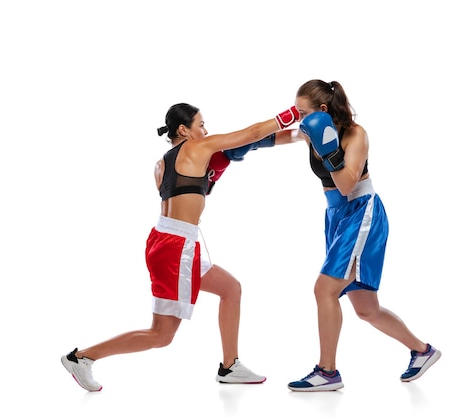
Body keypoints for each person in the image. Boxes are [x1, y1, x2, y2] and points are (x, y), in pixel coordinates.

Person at [61, 102, 300, 392]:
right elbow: (252, 133)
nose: (206, 131)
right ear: (184, 130)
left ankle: (229, 366)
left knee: (230, 289)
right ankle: (82, 357)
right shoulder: (197, 148)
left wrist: (301, 136)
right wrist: (296, 112)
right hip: (177, 247)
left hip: (166, 240)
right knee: (161, 335)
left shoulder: (162, 163)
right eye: (201, 125)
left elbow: (189, 191)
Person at [232, 79, 441, 391]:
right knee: (366, 309)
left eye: (303, 112)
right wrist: (245, 144)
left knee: (324, 289)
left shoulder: (356, 134)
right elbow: (279, 137)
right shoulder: (308, 129)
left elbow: (346, 185)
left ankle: (327, 371)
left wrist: (328, 148)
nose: (299, 118)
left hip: (361, 211)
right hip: (336, 217)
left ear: (323, 111)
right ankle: (423, 351)